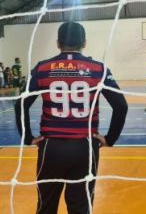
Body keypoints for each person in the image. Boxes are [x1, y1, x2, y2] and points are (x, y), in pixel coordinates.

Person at [15, 22, 128, 214]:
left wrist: (27, 138)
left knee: (46, 205)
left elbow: (20, 104)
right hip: (85, 147)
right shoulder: (99, 69)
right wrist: (110, 138)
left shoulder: (42, 68)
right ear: (84, 42)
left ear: (58, 43)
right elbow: (121, 105)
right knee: (80, 206)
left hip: (51, 147)